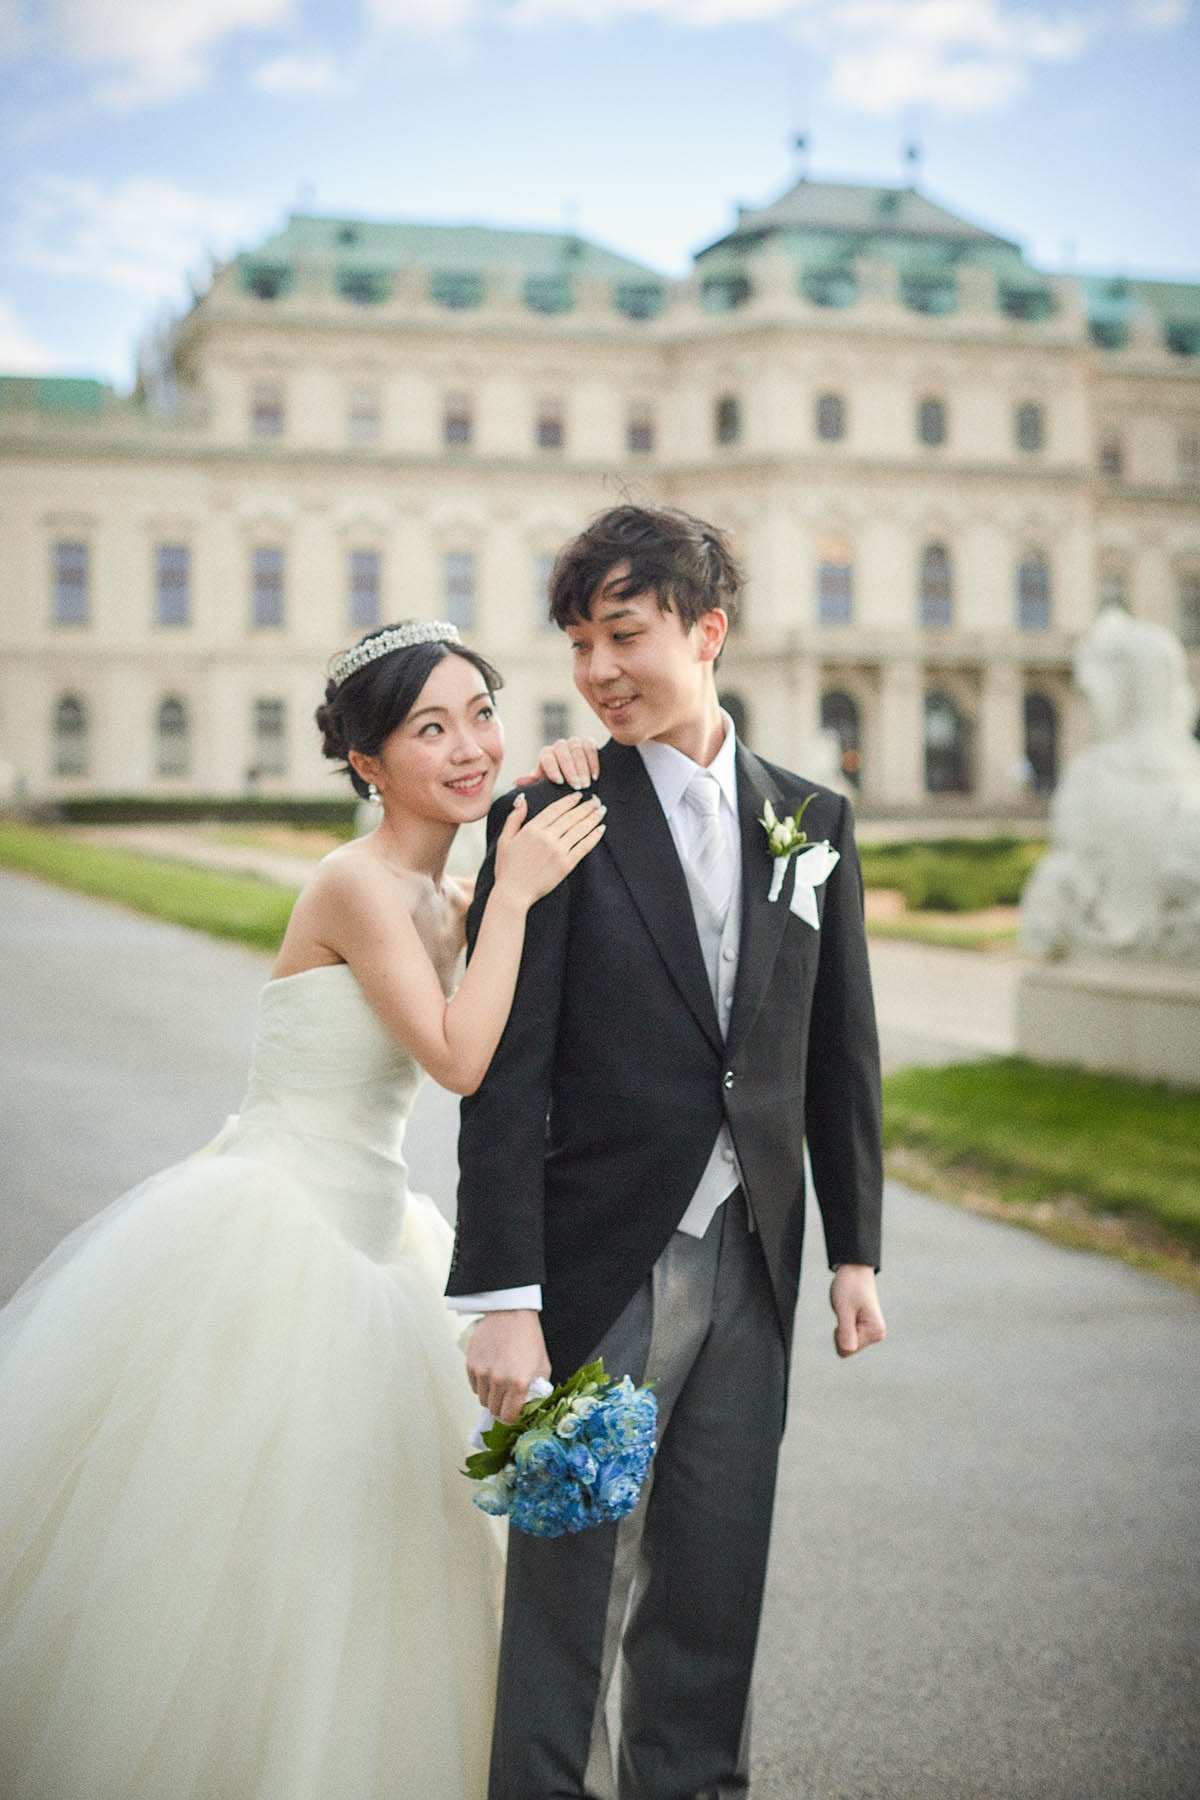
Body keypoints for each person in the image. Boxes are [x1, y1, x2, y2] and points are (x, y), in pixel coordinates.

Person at [0, 620, 606, 1800]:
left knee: (374, 1562)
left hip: (379, 1229)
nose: (471, 745)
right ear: (368, 764)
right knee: (247, 1559)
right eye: (430, 728)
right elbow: (458, 1058)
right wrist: (520, 897)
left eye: (482, 712)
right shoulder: (358, 884)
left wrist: (566, 784)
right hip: (276, 1230)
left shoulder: (446, 897)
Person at [447, 507, 887, 1800]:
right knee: (567, 1593)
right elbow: (503, 1079)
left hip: (752, 1262)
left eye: (623, 635)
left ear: (707, 632)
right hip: (598, 1270)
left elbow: (837, 1054)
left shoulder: (815, 820)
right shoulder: (551, 814)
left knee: (712, 1577)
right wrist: (505, 1300)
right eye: (579, 642)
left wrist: (853, 1248)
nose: (596, 670)